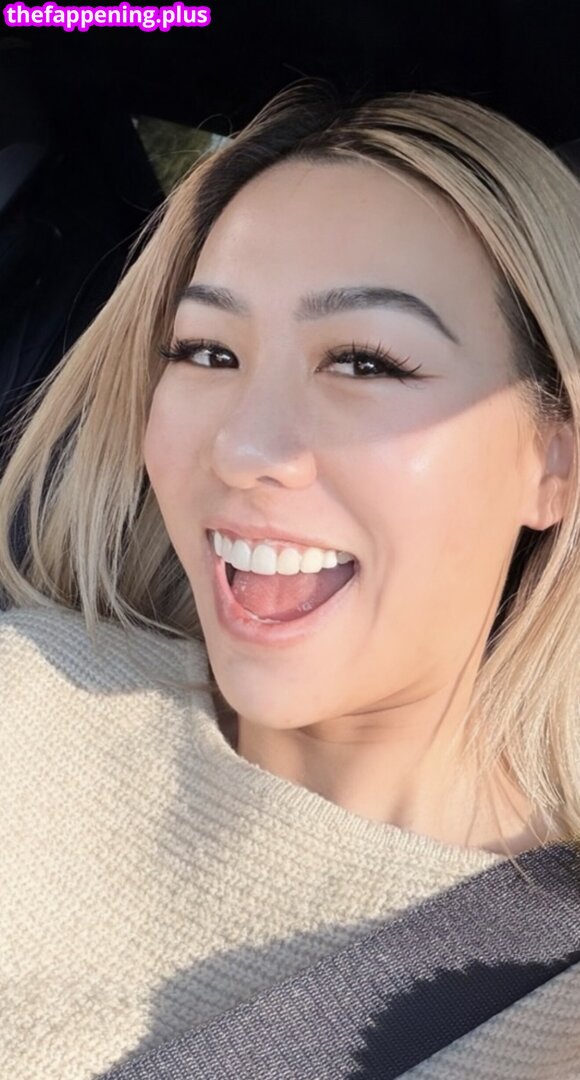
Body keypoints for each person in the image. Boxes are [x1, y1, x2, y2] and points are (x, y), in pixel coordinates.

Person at [0, 82, 578, 1080]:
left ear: (555, 459)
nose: (243, 448)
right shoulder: (31, 699)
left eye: (364, 362)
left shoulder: (551, 1012)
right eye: (206, 351)